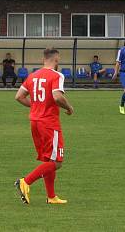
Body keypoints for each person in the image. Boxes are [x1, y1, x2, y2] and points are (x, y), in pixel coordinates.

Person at [14, 48, 74, 205]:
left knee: (48, 159)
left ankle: (51, 196)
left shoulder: (32, 76)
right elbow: (57, 96)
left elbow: (19, 96)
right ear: (56, 60)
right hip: (49, 123)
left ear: (43, 59)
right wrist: (69, 107)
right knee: (57, 162)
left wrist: (36, 106)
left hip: (35, 121)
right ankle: (25, 181)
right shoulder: (57, 75)